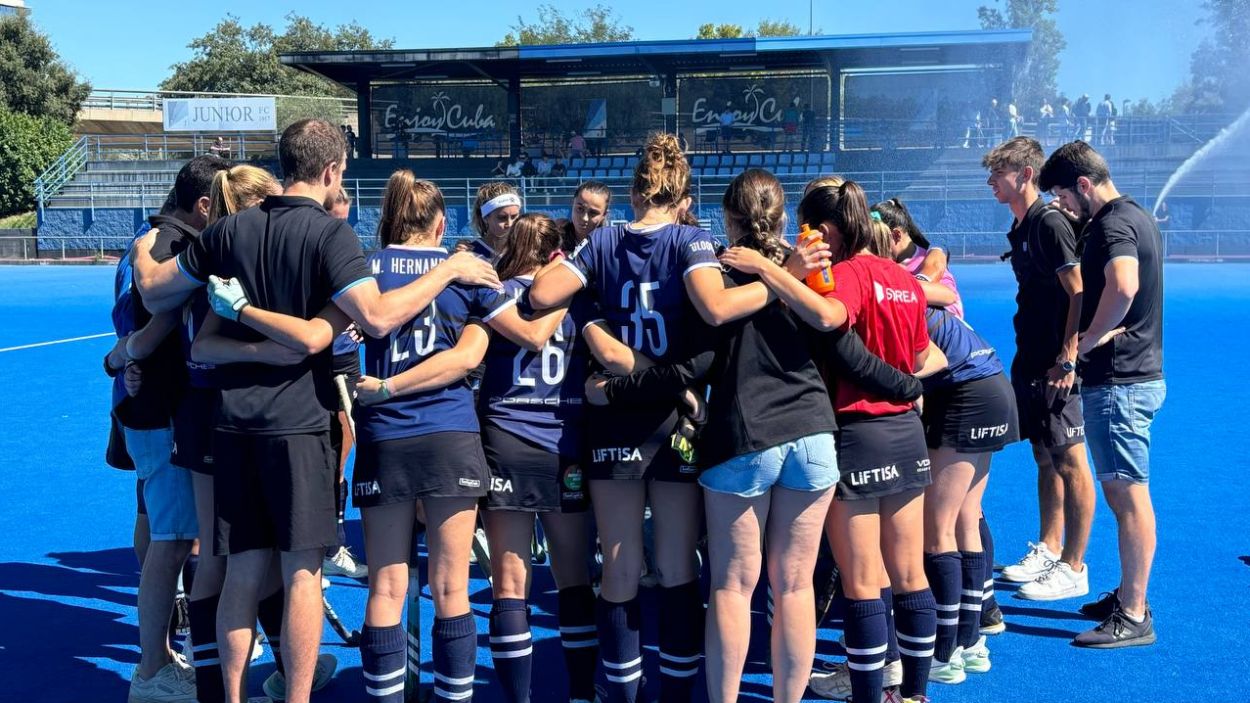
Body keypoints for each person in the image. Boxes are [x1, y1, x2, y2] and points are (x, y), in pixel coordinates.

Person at [132, 119, 499, 703]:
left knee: (241, 571)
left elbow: (158, 296)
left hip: (232, 422)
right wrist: (448, 269)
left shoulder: (228, 231)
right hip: (301, 424)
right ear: (330, 171)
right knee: (303, 573)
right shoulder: (332, 236)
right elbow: (376, 318)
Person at [605, 169, 919, 703]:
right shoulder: (808, 276)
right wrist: (906, 384)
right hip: (814, 436)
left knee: (732, 586)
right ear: (782, 218)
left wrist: (621, 387)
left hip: (742, 438)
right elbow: (844, 348)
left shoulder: (715, 274)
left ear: (728, 218)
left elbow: (697, 361)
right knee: (794, 587)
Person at [530, 132, 772, 703]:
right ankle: (677, 695)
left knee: (617, 569)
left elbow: (542, 293)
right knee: (676, 567)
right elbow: (715, 309)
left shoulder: (603, 241)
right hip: (675, 418)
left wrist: (588, 314)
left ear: (634, 191)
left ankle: (623, 694)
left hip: (615, 418)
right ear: (683, 193)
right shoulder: (694, 241)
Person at [738, 181, 939, 703]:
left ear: (825, 230)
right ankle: (916, 694)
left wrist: (770, 271)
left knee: (863, 580)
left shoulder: (848, 275)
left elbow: (830, 317)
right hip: (907, 434)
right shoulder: (906, 280)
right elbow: (919, 360)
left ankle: (869, 696)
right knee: (910, 570)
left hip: (858, 430)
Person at [1040, 140, 1165, 649]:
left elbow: (1125, 285)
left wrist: (1084, 342)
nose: (1063, 207)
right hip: (1136, 376)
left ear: (1084, 185)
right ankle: (1130, 595)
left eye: (1065, 197)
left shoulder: (1112, 224)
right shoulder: (1139, 216)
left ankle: (1134, 613)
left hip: (1120, 382)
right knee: (1125, 492)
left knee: (1127, 495)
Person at [476, 213, 600, 703]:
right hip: (564, 440)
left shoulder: (496, 293)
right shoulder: (576, 295)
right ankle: (581, 694)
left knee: (509, 579)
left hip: (505, 437)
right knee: (572, 575)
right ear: (556, 253)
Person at [120, 155, 228, 703]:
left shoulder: (152, 239)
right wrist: (131, 353)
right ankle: (152, 667)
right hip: (162, 414)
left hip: (147, 411)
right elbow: (153, 305)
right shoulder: (167, 245)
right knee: (172, 540)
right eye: (225, 206)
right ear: (204, 204)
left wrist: (126, 355)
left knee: (162, 528)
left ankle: (158, 655)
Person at [984, 137, 1096, 602]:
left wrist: (1067, 356)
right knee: (1044, 454)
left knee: (1070, 457)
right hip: (1029, 356)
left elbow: (1079, 291)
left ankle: (1075, 565)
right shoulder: (1022, 226)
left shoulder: (1049, 222)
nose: (991, 181)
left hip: (1055, 362)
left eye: (999, 173)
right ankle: (1050, 547)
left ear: (1025, 175)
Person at [913, 304, 1018, 685]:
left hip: (965, 395)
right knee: (966, 518)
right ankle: (970, 644)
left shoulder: (886, 294)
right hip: (995, 386)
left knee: (937, 530)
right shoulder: (915, 288)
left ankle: (944, 654)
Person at [873, 197, 964, 318]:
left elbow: (954, 313)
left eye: (875, 240)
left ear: (896, 235)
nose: (870, 247)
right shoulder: (883, 265)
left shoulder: (931, 262)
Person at [462, 181, 523, 261]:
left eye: (514, 217)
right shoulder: (471, 252)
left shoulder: (527, 249)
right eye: (502, 218)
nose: (510, 224)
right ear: (485, 218)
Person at [564, 180, 612, 251]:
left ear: (604, 215)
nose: (584, 218)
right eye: (580, 209)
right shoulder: (555, 239)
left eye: (593, 213)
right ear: (572, 204)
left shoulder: (611, 245)